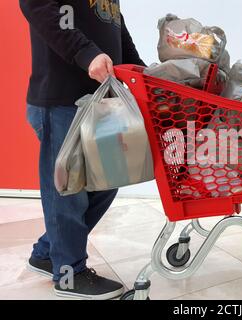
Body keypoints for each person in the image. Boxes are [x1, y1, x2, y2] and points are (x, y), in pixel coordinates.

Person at [20, 0, 145, 300]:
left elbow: (115, 24)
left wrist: (138, 67)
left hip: (99, 101)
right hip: (60, 99)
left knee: (108, 180)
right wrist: (85, 53)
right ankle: (69, 273)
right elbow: (36, 5)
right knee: (69, 194)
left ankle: (47, 252)